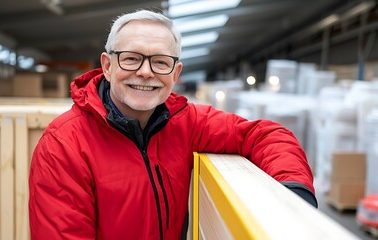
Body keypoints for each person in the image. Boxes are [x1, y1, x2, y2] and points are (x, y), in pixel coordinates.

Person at [29, 9, 317, 240]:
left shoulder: (186, 123)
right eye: (131, 59)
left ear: (176, 72)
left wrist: (293, 194)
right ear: (107, 65)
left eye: (160, 62)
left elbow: (267, 134)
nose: (145, 72)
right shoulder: (65, 144)